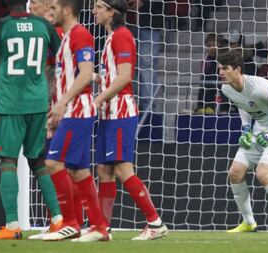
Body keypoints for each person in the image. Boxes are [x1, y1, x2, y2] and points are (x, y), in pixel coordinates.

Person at [0, 0, 63, 240]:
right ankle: (58, 220)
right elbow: (60, 53)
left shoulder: (1, 26)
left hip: (12, 103)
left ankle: (12, 224)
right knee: (37, 160)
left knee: (7, 161)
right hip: (39, 102)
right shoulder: (43, 26)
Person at [93, 0, 168, 241]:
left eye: (98, 7)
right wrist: (89, 76)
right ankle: (102, 228)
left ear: (111, 12)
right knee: (104, 170)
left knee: (124, 169)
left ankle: (155, 222)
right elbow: (112, 75)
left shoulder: (122, 35)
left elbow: (125, 76)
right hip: (109, 112)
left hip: (120, 112)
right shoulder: (112, 37)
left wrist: (97, 99)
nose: (94, 11)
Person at [41, 0, 110, 242]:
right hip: (68, 110)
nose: (50, 12)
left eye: (53, 8)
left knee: (53, 163)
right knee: (78, 171)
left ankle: (70, 222)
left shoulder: (80, 34)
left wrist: (62, 103)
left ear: (67, 9)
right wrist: (56, 107)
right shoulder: (68, 37)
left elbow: (86, 72)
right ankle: (99, 227)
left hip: (77, 111)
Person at [217, 50, 268, 233]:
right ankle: (248, 222)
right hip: (260, 127)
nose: (221, 72)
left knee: (263, 174)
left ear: (237, 69)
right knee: (235, 173)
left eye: (225, 68)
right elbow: (243, 105)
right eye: (219, 68)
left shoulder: (260, 86)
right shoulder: (226, 88)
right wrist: (246, 128)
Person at [27, 0, 84, 240]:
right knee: (50, 162)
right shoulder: (46, 30)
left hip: (61, 107)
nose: (33, 8)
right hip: (49, 104)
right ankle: (60, 220)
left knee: (61, 165)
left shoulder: (60, 32)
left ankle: (72, 221)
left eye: (40, 4)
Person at [126, 0, 163, 112]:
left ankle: (148, 108)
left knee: (147, 64)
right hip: (127, 22)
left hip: (149, 22)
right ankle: (131, 104)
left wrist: (144, 2)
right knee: (129, 63)